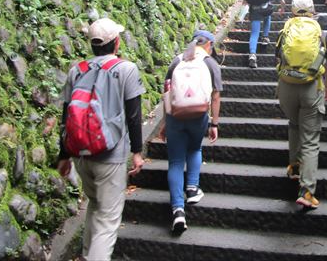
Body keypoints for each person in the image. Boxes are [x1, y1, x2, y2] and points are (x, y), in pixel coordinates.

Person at [57, 17, 145, 261]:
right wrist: (137, 152)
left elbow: (66, 115)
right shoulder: (125, 69)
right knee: (108, 219)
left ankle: (87, 254)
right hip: (111, 155)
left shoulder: (77, 70)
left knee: (94, 206)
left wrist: (63, 156)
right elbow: (134, 114)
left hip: (80, 154)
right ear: (116, 43)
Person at [158, 30, 222, 234]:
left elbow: (167, 93)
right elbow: (216, 96)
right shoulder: (210, 63)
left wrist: (166, 121)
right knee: (194, 149)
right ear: (209, 45)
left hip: (175, 116)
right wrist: (214, 124)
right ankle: (192, 189)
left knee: (175, 162)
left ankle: (178, 210)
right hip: (198, 116)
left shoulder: (177, 61)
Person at [275, 0, 327, 209]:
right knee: (310, 139)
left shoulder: (285, 28)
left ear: (292, 9)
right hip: (310, 87)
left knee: (293, 124)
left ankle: (294, 166)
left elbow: (278, 57)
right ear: (312, 9)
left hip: (287, 87)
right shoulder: (322, 31)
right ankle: (307, 191)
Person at [238, 0, 286, 68]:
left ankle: (252, 55)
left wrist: (241, 16)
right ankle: (265, 37)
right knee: (268, 14)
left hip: (254, 11)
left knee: (254, 33)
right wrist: (282, 8)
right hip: (265, 10)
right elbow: (282, 1)